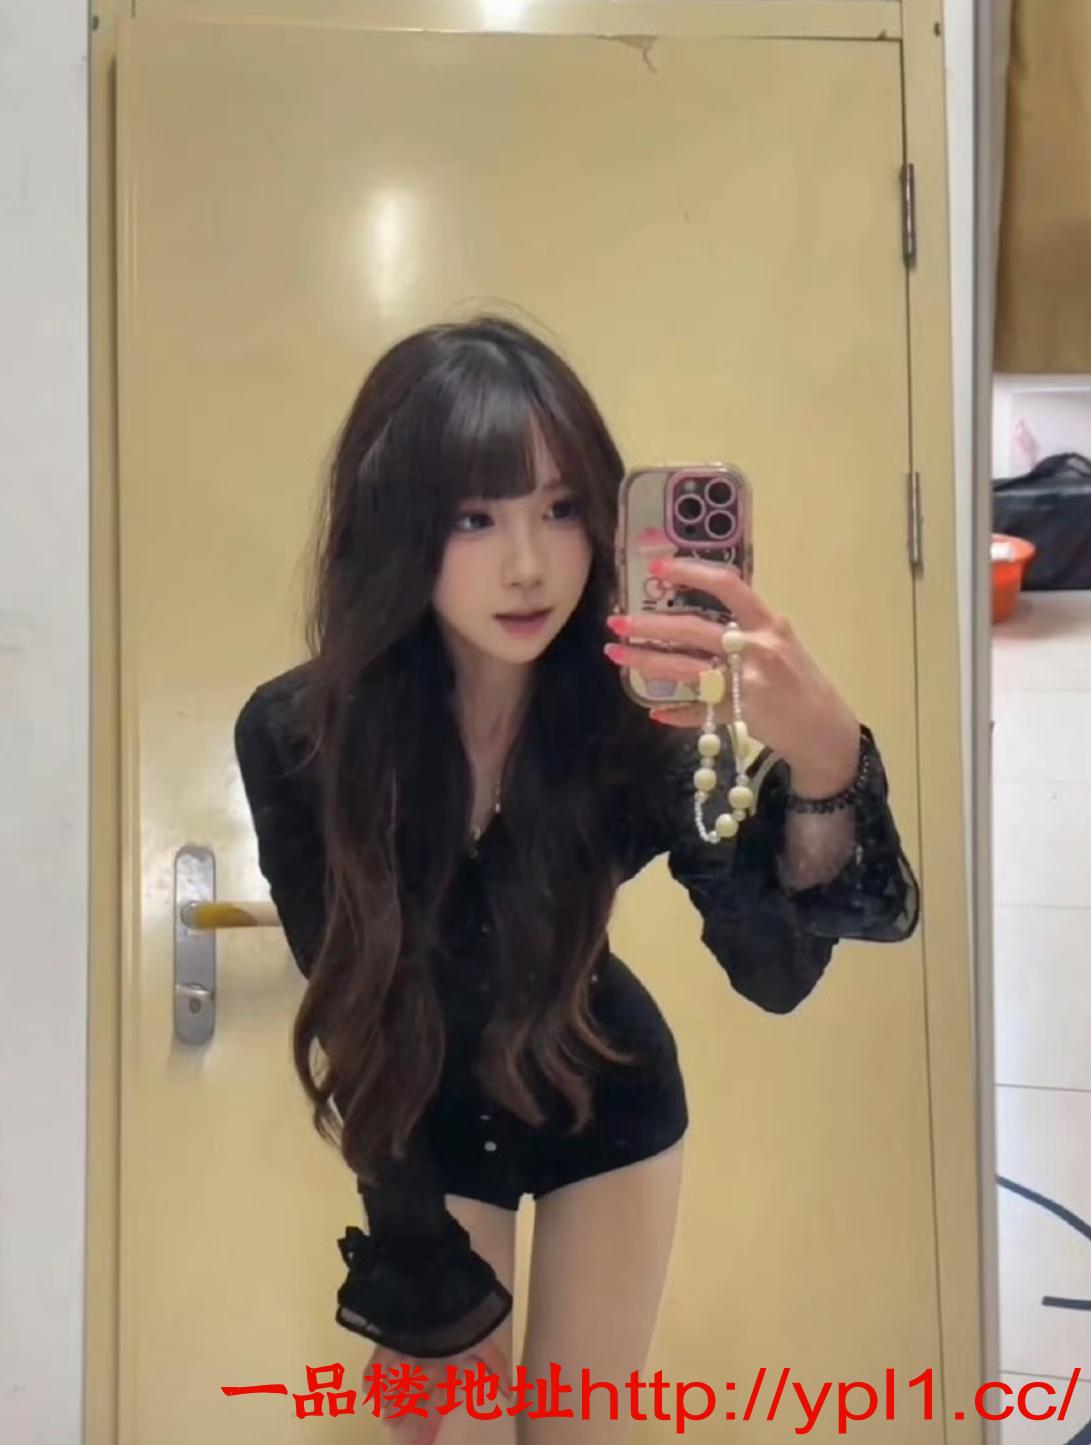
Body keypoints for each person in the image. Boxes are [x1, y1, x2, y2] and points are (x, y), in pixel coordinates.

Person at [233, 315, 920, 1441]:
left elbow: (774, 973)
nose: (528, 562)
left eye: (559, 508)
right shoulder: (301, 733)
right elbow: (357, 1008)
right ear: (397, 523)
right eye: (474, 516)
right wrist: (414, 1260)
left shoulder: (636, 717)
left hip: (611, 1102)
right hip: (425, 1117)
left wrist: (824, 761)